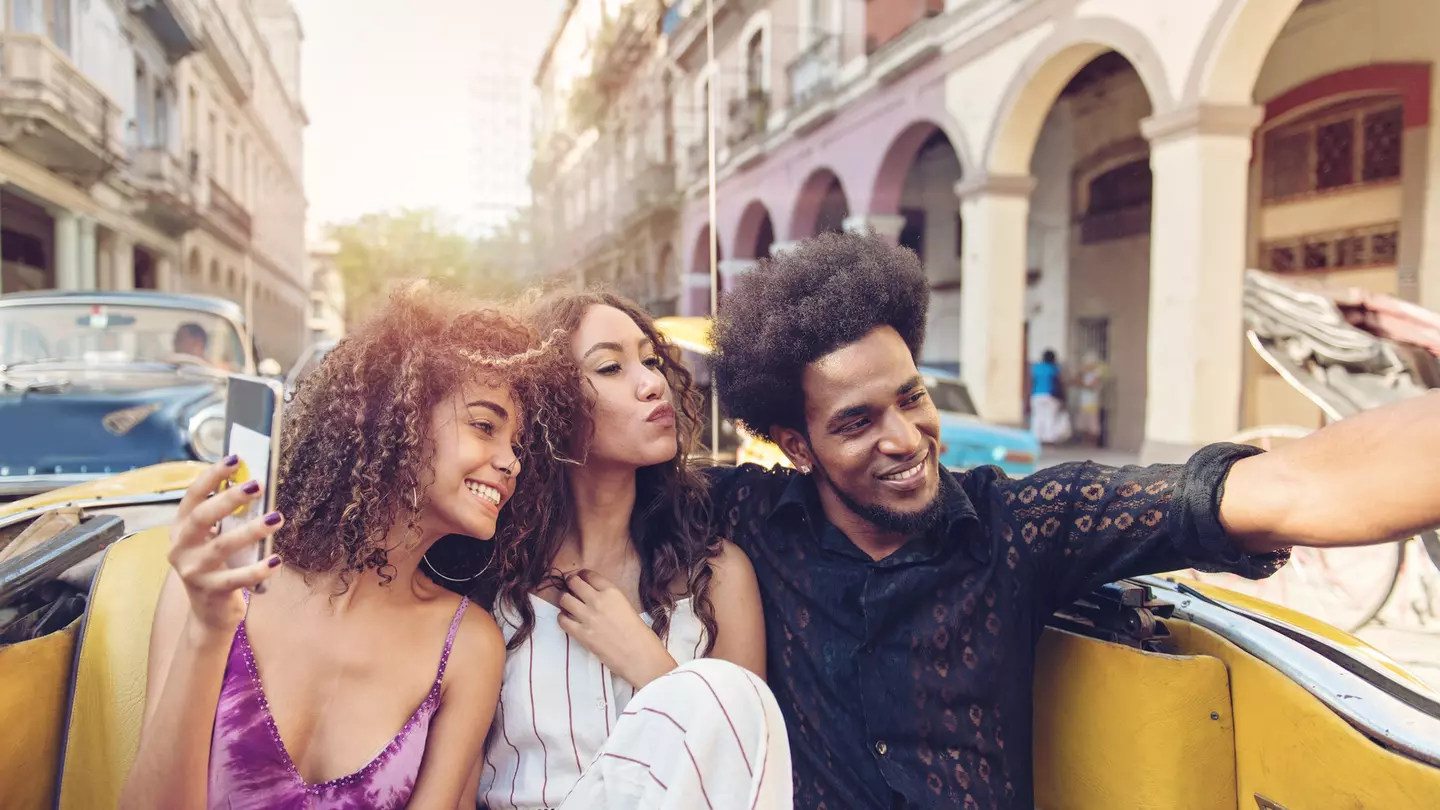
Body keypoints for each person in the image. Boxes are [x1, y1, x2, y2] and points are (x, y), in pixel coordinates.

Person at [707, 230, 1440, 810]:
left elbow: (1286, 487)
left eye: (911, 397)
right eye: (857, 422)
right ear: (798, 446)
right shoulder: (752, 518)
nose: (903, 438)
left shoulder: (1016, 526)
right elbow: (600, 482)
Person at [121, 287, 569, 810]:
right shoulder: (216, 584)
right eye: (484, 426)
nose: (510, 462)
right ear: (400, 417)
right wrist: (207, 630)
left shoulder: (469, 646)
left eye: (516, 446)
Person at [462, 289, 789, 810]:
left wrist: (651, 667)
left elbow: (749, 772)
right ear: (550, 405)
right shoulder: (487, 579)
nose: (653, 383)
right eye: (611, 367)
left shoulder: (717, 576)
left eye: (652, 361)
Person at [1028, 349, 1070, 444]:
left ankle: (1036, 438)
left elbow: (1031, 382)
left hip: (1036, 395)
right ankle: (1049, 439)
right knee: (1050, 418)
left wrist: (1028, 397)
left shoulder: (1036, 368)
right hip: (1050, 396)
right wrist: (1063, 398)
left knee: (1037, 417)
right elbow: (1058, 383)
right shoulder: (1054, 368)